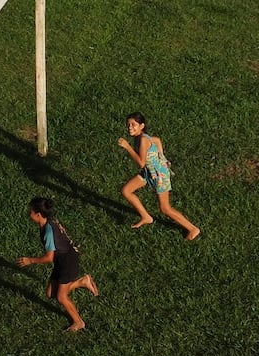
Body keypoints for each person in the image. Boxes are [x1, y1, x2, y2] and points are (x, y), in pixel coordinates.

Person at [18, 197, 98, 332]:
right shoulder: (50, 222)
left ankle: (78, 322)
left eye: (31, 212)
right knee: (51, 294)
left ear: (38, 215)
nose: (29, 214)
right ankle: (83, 281)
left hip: (68, 262)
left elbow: (49, 258)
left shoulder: (48, 232)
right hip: (62, 261)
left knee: (61, 297)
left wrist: (30, 260)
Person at [117, 112, 200, 240]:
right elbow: (157, 140)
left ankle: (193, 229)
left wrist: (128, 147)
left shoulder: (143, 140)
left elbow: (141, 163)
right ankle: (146, 217)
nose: (129, 127)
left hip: (158, 175)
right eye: (128, 124)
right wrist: (161, 155)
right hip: (147, 173)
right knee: (126, 191)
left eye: (133, 124)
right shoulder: (140, 137)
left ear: (142, 126)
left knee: (165, 208)